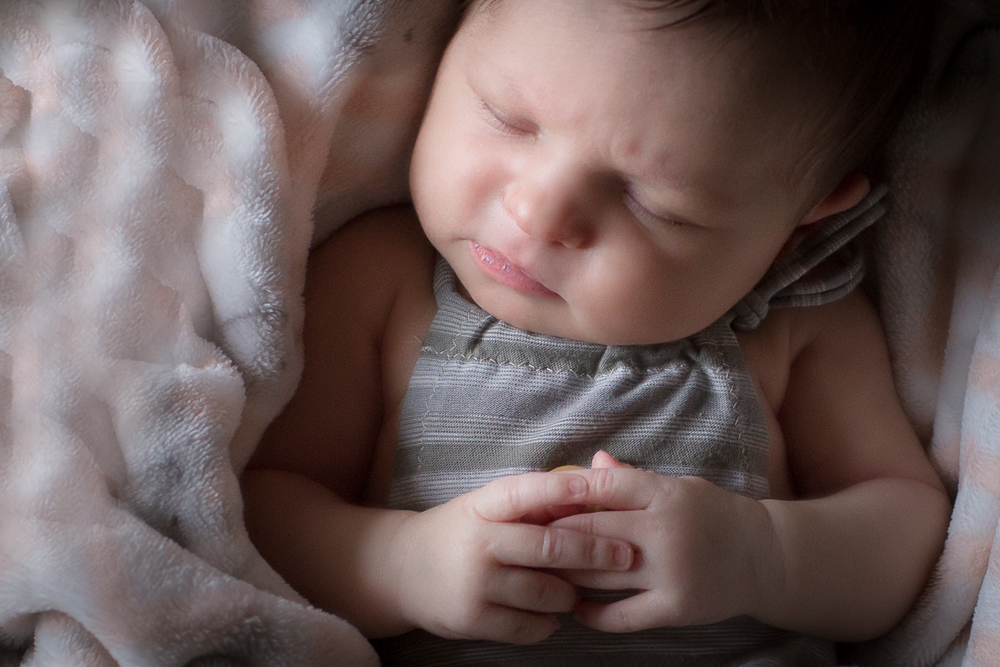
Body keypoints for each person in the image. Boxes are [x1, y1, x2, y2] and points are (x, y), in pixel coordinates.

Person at [242, 0, 952, 664]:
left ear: (800, 229)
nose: (537, 211)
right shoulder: (382, 281)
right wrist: (402, 564)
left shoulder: (797, 327)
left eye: (654, 203)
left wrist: (764, 556)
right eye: (508, 117)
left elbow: (907, 526)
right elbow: (269, 506)